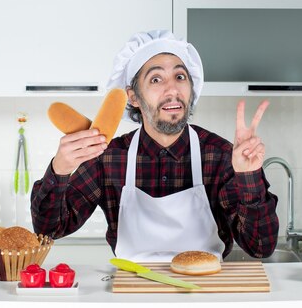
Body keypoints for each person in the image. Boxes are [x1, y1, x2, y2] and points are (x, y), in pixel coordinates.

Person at [31, 30, 279, 262]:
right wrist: (60, 169)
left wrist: (248, 176)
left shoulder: (221, 156)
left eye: (180, 77)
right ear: (133, 97)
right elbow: (49, 229)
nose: (172, 89)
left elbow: (260, 246)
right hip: (131, 295)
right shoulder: (108, 158)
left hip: (204, 295)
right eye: (156, 79)